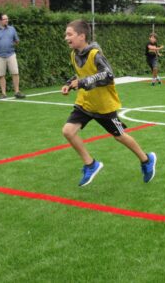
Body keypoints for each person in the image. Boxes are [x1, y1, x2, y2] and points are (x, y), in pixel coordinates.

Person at [61, 20, 156, 187]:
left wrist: (82, 82)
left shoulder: (95, 54)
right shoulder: (74, 54)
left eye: (69, 34)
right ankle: (91, 165)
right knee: (68, 131)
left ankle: (146, 160)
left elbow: (107, 75)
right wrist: (70, 84)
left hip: (104, 106)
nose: (66, 37)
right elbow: (81, 74)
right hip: (85, 103)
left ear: (82, 36)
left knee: (120, 136)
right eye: (66, 34)